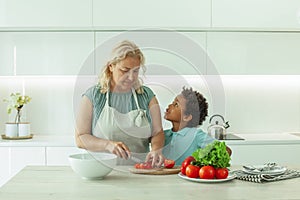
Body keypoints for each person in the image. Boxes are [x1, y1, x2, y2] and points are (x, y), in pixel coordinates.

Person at [75, 40, 164, 166]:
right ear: (111, 66)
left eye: (135, 71)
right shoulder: (93, 96)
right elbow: (80, 138)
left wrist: (156, 149)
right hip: (102, 172)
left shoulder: (147, 96)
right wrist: (107, 145)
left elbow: (158, 132)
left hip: (140, 172)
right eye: (125, 70)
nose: (131, 77)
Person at [162, 87, 232, 165]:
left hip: (187, 175)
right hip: (166, 176)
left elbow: (226, 151)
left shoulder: (195, 135)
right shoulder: (163, 135)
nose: (170, 105)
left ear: (187, 117)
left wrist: (203, 163)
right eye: (172, 102)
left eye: (176, 105)